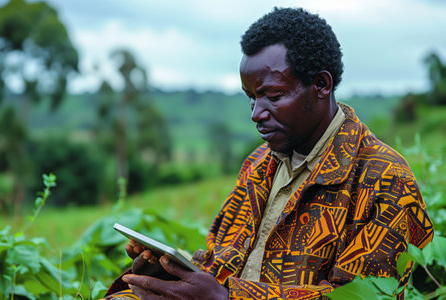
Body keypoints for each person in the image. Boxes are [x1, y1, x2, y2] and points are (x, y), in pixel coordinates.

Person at [104, 7, 433, 300]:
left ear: (321, 84)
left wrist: (225, 298)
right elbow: (217, 259)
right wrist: (169, 274)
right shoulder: (258, 163)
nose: (256, 113)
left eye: (272, 96)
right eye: (251, 97)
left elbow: (366, 295)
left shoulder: (385, 179)